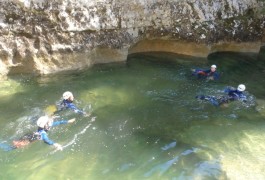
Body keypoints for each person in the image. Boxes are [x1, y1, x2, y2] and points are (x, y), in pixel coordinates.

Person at [11, 115, 76, 151]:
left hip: (30, 134)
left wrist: (68, 121)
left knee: (18, 141)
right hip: (31, 139)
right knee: (19, 145)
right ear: (46, 125)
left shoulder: (44, 127)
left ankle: (15, 143)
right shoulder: (43, 133)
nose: (50, 121)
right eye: (49, 121)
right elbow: (46, 140)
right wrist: (56, 144)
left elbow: (58, 122)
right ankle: (13, 146)